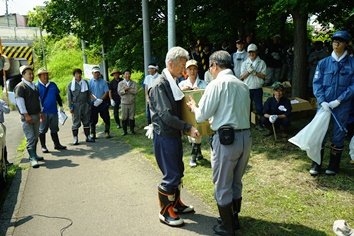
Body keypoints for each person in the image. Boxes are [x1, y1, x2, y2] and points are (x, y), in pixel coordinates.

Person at [187, 50, 251, 235]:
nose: (210, 71)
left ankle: (227, 226)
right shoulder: (242, 84)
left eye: (210, 67)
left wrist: (193, 106)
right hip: (245, 137)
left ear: (214, 65)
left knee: (222, 183)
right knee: (236, 180)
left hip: (226, 140)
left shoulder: (216, 85)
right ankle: (234, 219)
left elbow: (201, 116)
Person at [148, 46, 200, 227]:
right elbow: (166, 116)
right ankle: (164, 210)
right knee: (170, 174)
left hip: (172, 134)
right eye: (182, 65)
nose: (184, 70)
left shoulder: (172, 82)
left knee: (178, 169)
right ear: (171, 64)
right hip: (164, 135)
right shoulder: (159, 85)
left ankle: (175, 203)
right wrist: (188, 127)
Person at [310, 30, 354, 176]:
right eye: (334, 41)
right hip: (324, 106)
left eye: (339, 42)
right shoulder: (323, 63)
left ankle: (333, 166)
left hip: (342, 106)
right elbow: (317, 83)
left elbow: (353, 86)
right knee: (319, 133)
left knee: (338, 135)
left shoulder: (352, 63)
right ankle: (316, 164)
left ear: (346, 44)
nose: (336, 44)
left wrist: (339, 100)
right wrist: (322, 101)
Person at [178, 59, 207, 167]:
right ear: (186, 71)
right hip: (187, 114)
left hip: (199, 112)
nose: (192, 71)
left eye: (194, 69)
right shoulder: (181, 84)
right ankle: (198, 153)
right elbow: (177, 100)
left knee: (197, 135)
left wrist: (199, 91)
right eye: (190, 69)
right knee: (190, 136)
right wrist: (182, 91)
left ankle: (193, 157)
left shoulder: (204, 83)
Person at [14, 65, 44, 168]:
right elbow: (20, 102)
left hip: (36, 114)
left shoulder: (33, 86)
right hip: (28, 116)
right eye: (29, 74)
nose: (31, 76)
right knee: (30, 137)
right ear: (23, 75)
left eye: (32, 74)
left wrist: (41, 112)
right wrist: (26, 115)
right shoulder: (20, 87)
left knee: (36, 136)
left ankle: (34, 154)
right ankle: (32, 158)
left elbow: (38, 100)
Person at [36, 68, 66, 153]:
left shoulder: (53, 85)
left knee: (54, 128)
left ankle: (57, 144)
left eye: (46, 74)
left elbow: (57, 96)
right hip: (43, 112)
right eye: (43, 75)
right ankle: (43, 146)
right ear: (39, 76)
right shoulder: (36, 86)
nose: (46, 76)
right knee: (42, 130)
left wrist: (61, 105)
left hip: (53, 111)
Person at [240, 43, 267, 131]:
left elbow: (264, 75)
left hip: (258, 87)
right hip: (247, 87)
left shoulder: (261, 62)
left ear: (256, 52)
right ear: (247, 53)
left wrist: (255, 73)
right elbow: (241, 77)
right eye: (249, 52)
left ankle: (259, 122)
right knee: (248, 106)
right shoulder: (245, 63)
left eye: (253, 52)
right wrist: (248, 71)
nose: (251, 54)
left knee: (259, 107)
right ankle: (249, 122)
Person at [67, 68, 95, 145]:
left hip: (85, 104)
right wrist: (70, 107)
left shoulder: (85, 82)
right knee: (76, 122)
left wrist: (89, 104)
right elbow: (69, 97)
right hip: (76, 105)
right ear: (74, 75)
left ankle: (88, 136)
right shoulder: (70, 84)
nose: (78, 75)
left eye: (79, 73)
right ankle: (75, 138)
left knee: (86, 120)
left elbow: (88, 94)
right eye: (76, 74)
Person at [88, 66, 111, 139]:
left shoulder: (103, 82)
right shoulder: (89, 82)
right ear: (92, 73)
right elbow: (89, 92)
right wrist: (95, 100)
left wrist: (100, 100)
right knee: (93, 119)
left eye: (98, 72)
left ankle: (107, 131)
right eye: (95, 73)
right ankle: (93, 133)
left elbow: (106, 92)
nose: (97, 74)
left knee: (106, 117)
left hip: (102, 102)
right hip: (93, 103)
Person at [118, 69, 138, 136]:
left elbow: (135, 91)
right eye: (126, 74)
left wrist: (127, 89)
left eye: (128, 74)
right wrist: (125, 90)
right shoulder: (120, 83)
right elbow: (119, 92)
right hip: (124, 102)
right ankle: (124, 131)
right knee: (124, 117)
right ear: (123, 75)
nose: (127, 75)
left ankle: (132, 130)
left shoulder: (133, 83)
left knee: (132, 117)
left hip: (132, 102)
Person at [0, 99, 12, 166]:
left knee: (2, 143)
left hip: (0, 125)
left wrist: (1, 106)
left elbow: (7, 111)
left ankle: (5, 161)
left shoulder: (1, 102)